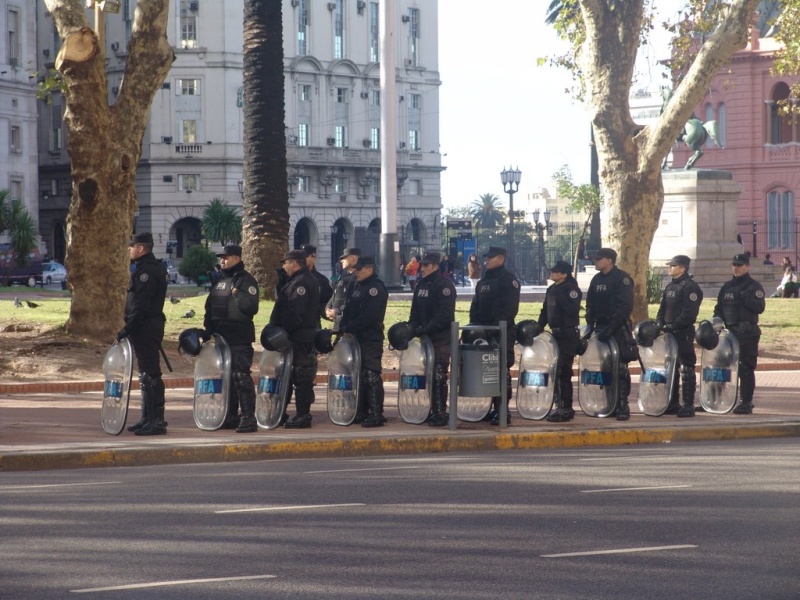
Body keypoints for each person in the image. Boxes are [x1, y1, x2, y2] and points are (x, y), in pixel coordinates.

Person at [203, 244, 260, 433]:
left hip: (239, 335)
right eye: (221, 257)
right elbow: (210, 306)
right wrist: (207, 330)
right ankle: (231, 415)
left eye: (226, 257)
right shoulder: (220, 279)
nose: (222, 261)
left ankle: (248, 418)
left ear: (236, 258)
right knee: (226, 378)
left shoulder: (246, 280)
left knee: (240, 376)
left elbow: (251, 308)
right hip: (221, 336)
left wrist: (236, 293)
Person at [118, 232, 169, 436]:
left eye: (132, 247)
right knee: (146, 374)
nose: (129, 250)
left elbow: (141, 306)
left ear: (141, 248)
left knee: (151, 374)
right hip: (146, 326)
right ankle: (147, 417)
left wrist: (126, 330)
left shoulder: (146, 272)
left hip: (146, 326)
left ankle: (156, 420)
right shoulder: (149, 268)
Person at [268, 249, 320, 429]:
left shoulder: (302, 282)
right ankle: (282, 412)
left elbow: (295, 312)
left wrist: (282, 330)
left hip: (300, 337)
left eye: (286, 263)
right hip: (294, 336)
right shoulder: (294, 281)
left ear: (295, 264)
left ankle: (303, 415)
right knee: (288, 376)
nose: (284, 266)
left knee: (302, 377)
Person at [469, 246, 521, 425]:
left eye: (490, 258)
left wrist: (496, 327)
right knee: (488, 371)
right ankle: (493, 407)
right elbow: (475, 305)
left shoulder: (508, 280)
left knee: (501, 371)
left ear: (501, 259)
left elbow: (510, 309)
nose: (486, 260)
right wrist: (475, 326)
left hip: (502, 331)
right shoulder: (484, 281)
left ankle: (503, 410)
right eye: (486, 258)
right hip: (484, 331)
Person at [584, 248, 635, 421]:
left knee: (620, 368)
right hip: (600, 328)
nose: (595, 262)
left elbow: (625, 307)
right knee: (606, 368)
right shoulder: (596, 279)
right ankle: (610, 403)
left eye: (599, 259)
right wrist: (591, 324)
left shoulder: (622, 279)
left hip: (617, 328)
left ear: (609, 260)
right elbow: (590, 304)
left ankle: (622, 404)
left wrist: (612, 328)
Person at [338, 256, 389, 427]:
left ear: (370, 269)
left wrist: (350, 326)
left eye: (360, 270)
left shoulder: (376, 288)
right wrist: (343, 326)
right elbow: (348, 307)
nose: (356, 272)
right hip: (355, 337)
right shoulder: (356, 285)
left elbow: (370, 316)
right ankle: (361, 410)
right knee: (357, 374)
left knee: (371, 374)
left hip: (370, 337)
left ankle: (376, 412)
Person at [408, 251, 457, 427]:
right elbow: (414, 310)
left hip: (439, 338)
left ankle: (440, 411)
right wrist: (412, 327)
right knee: (427, 375)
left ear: (435, 266)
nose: (422, 269)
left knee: (438, 374)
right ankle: (431, 409)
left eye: (426, 266)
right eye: (422, 265)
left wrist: (427, 328)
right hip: (424, 338)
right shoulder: (421, 284)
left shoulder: (444, 286)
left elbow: (444, 315)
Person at [714, 253, 766, 415]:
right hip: (728, 334)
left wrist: (744, 296)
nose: (736, 267)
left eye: (740, 265)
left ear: (748, 266)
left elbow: (759, 308)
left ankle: (746, 402)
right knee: (719, 367)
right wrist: (716, 321)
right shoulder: (727, 287)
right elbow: (719, 308)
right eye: (734, 264)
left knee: (745, 368)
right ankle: (716, 400)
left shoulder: (754, 287)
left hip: (746, 334)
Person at [656, 255, 703, 418]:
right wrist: (660, 324)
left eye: (673, 266)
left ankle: (688, 404)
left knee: (686, 367)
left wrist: (673, 326)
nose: (670, 268)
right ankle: (672, 402)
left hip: (682, 333)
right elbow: (663, 308)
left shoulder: (690, 287)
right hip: (669, 333)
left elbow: (689, 313)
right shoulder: (670, 286)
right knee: (671, 368)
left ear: (683, 268)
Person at [537, 260, 582, 423]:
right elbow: (545, 310)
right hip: (555, 334)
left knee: (563, 371)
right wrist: (539, 326)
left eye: (555, 272)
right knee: (555, 371)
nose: (552, 273)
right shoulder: (551, 289)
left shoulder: (571, 290)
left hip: (567, 334)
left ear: (564, 274)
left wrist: (561, 296)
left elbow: (572, 311)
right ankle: (559, 405)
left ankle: (566, 407)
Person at [325, 247, 360, 331]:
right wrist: (328, 308)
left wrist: (337, 311)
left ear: (353, 258)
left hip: (350, 324)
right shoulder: (344, 276)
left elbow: (351, 300)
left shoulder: (359, 278)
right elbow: (335, 294)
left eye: (344, 258)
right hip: (339, 323)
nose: (341, 261)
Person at [300, 244, 334, 326]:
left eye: (304, 257)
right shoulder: (292, 277)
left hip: (312, 323)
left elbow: (328, 301)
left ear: (313, 258)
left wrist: (327, 311)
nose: (301, 260)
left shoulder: (321, 280)